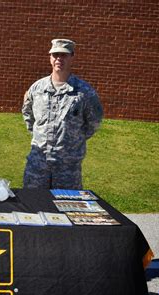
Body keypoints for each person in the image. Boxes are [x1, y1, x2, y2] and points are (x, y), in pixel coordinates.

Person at [22, 38, 103, 189]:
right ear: (50, 58)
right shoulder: (37, 88)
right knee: (33, 207)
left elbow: (93, 122)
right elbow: (28, 115)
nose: (59, 58)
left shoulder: (84, 92)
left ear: (72, 57)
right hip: (38, 166)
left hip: (68, 170)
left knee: (68, 209)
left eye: (64, 55)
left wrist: (72, 141)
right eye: (55, 55)